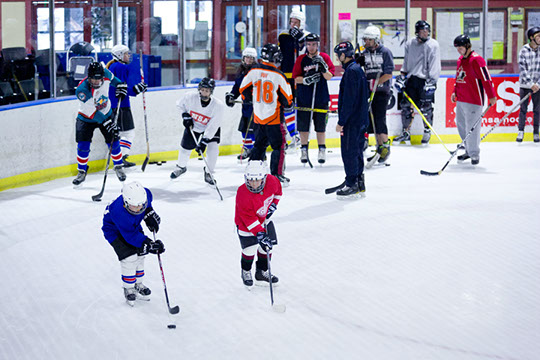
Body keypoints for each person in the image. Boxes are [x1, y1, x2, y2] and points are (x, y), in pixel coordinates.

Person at [102, 181, 164, 306]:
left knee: (140, 256)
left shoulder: (145, 195)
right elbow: (130, 236)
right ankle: (129, 288)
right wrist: (149, 244)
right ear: (125, 203)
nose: (138, 208)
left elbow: (147, 205)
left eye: (141, 205)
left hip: (132, 227)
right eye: (134, 206)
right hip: (116, 232)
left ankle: (138, 284)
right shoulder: (119, 212)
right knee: (130, 258)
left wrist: (149, 214)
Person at [240, 43, 293, 187]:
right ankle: (276, 176)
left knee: (259, 145)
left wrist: (249, 99)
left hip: (258, 117)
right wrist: (288, 104)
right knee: (278, 146)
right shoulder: (278, 75)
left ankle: (252, 174)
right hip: (274, 119)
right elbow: (288, 99)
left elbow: (243, 88)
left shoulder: (253, 70)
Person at [72, 62, 128, 186]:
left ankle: (118, 166)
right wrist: (107, 122)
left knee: (113, 140)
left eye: (99, 79)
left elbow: (116, 81)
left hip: (106, 113)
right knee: (83, 145)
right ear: (88, 77)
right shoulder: (82, 90)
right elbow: (92, 112)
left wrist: (121, 87)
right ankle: (81, 170)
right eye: (93, 79)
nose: (96, 82)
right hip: (86, 118)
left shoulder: (106, 73)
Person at [451, 34, 497, 166]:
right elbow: (458, 77)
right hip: (461, 99)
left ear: (467, 46)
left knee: (472, 128)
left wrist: (492, 96)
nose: (458, 50)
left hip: (473, 100)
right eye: (457, 48)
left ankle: (474, 154)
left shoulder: (477, 60)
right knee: (461, 126)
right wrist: (455, 91)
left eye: (460, 47)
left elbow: (486, 78)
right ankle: (468, 150)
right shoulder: (460, 60)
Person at [234, 160, 281, 286]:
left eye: (257, 180)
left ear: (264, 178)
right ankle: (246, 270)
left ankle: (261, 272)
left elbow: (278, 193)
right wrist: (260, 234)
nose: (254, 184)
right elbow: (248, 218)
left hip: (265, 219)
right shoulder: (242, 192)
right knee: (249, 249)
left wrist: (273, 206)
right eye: (250, 180)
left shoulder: (273, 181)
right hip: (246, 224)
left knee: (267, 247)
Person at [170, 77, 224, 186]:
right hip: (193, 125)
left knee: (213, 149)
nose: (204, 93)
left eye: (207, 91)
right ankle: (181, 167)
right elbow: (179, 105)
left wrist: (205, 140)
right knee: (185, 148)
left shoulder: (218, 105)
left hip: (210, 128)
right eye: (202, 90)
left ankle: (208, 172)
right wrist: (185, 115)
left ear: (211, 92)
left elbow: (214, 125)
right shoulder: (189, 97)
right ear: (199, 89)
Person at [394, 20, 441, 144]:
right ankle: (406, 133)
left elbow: (435, 64)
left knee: (426, 108)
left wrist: (432, 81)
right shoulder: (410, 43)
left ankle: (427, 132)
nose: (425, 33)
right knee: (405, 107)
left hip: (426, 80)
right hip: (411, 79)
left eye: (427, 30)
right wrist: (402, 76)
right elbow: (406, 61)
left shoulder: (433, 45)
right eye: (422, 31)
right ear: (417, 32)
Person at [332, 41, 369, 198]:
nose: (337, 58)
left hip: (352, 122)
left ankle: (352, 183)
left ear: (343, 55)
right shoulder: (356, 69)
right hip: (359, 120)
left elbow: (349, 99)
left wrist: (341, 121)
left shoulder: (351, 71)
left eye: (338, 55)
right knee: (357, 151)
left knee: (349, 152)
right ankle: (359, 183)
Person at [292, 33, 335, 164]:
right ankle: (304, 149)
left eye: (314, 44)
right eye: (309, 44)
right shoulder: (301, 59)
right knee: (303, 126)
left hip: (320, 97)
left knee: (320, 126)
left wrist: (323, 68)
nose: (311, 47)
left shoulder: (324, 57)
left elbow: (329, 76)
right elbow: (296, 78)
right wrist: (306, 80)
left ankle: (322, 149)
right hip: (304, 98)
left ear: (318, 45)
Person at [106, 45, 148, 168]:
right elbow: (121, 88)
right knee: (128, 133)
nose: (128, 56)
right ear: (119, 55)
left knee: (119, 133)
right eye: (126, 53)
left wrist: (135, 89)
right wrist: (136, 89)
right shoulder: (120, 67)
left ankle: (119, 157)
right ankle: (121, 157)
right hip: (120, 104)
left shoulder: (113, 66)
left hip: (113, 104)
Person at [361, 25, 395, 165]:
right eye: (365, 39)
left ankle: (385, 147)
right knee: (370, 120)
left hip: (382, 91)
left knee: (379, 119)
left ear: (375, 40)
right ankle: (378, 147)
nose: (366, 42)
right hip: (369, 91)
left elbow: (388, 74)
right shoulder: (364, 53)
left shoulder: (385, 52)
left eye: (368, 40)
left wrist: (376, 82)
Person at [278, 10, 309, 149]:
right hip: (287, 76)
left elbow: (307, 54)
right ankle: (292, 134)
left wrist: (301, 40)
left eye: (296, 22)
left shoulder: (308, 36)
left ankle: (301, 136)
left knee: (301, 106)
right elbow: (281, 55)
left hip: (302, 77)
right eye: (291, 21)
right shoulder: (284, 36)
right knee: (287, 105)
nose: (293, 24)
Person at [225, 47, 259, 161]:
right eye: (247, 57)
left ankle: (257, 150)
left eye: (251, 58)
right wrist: (232, 96)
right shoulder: (241, 71)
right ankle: (248, 149)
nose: (249, 60)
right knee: (244, 128)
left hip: (257, 106)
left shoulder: (258, 71)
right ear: (243, 58)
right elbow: (237, 87)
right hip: (246, 105)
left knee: (254, 129)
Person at [517, 26, 540, 143]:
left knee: (537, 110)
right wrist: (531, 84)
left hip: (538, 87)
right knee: (523, 109)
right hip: (525, 86)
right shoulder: (524, 50)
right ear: (531, 38)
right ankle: (520, 131)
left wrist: (538, 84)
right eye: (538, 36)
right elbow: (522, 69)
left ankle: (536, 132)